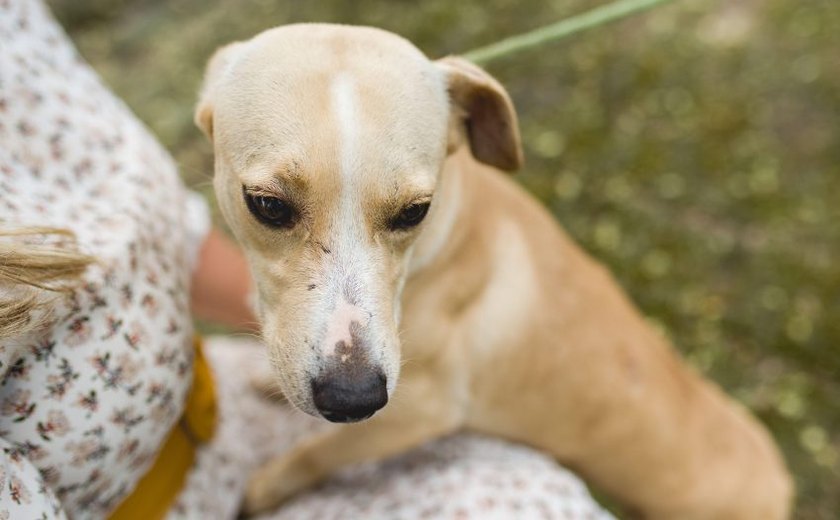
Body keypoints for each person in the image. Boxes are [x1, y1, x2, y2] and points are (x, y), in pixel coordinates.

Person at [0, 1, 614, 518]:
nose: (353, 369)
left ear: (467, 124)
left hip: (214, 415)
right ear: (209, 118)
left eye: (405, 214)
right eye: (273, 206)